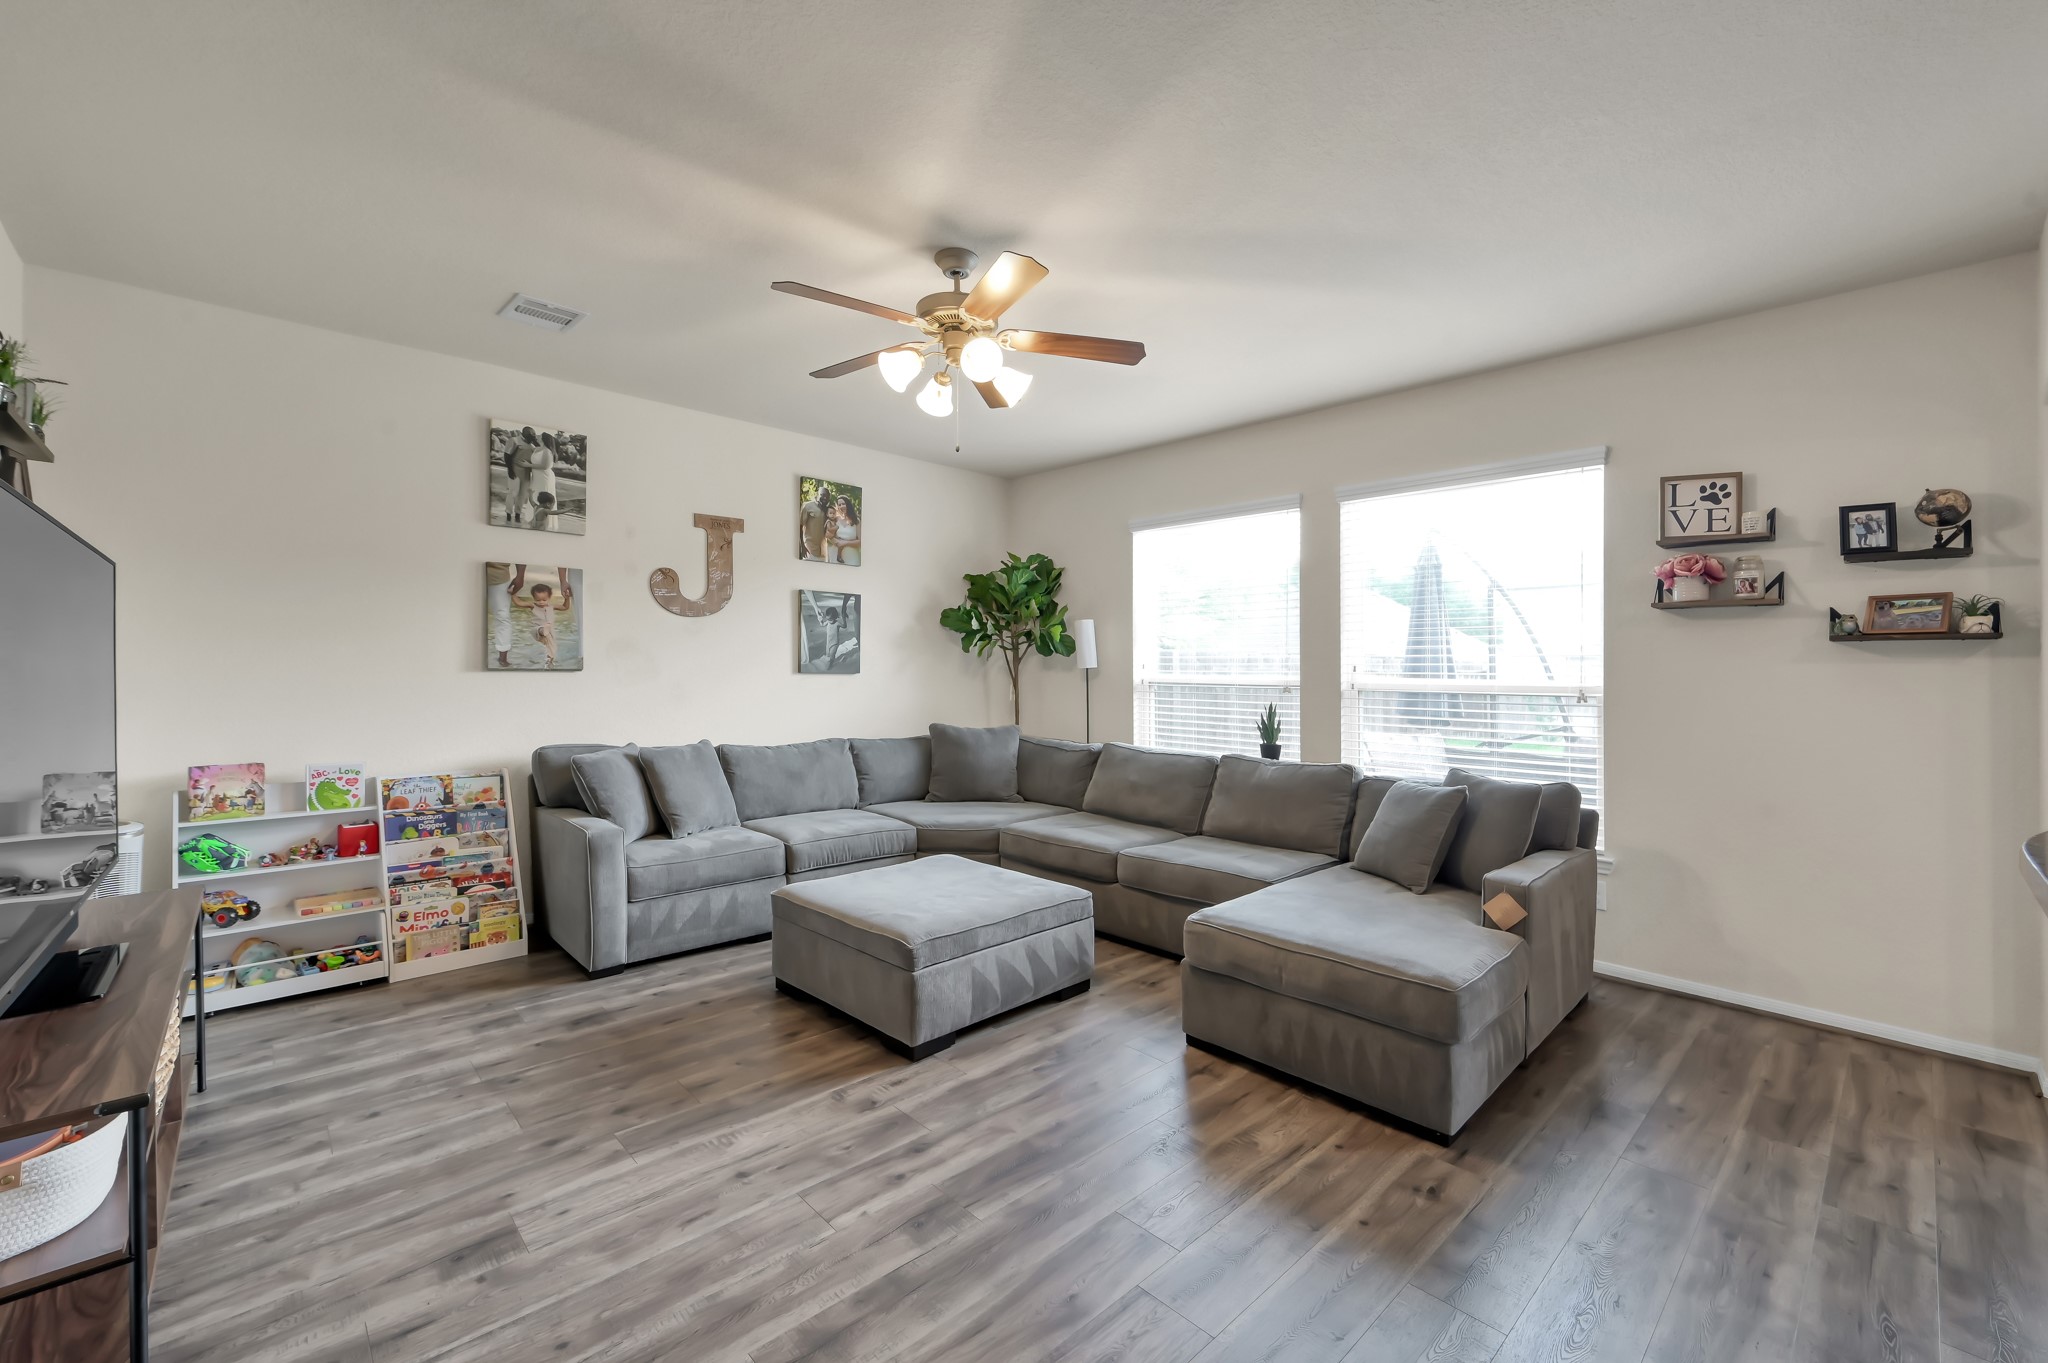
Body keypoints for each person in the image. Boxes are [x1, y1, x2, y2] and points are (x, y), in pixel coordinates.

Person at [529, 571, 572, 669]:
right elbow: (519, 603)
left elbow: (565, 607)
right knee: (542, 629)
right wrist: (512, 594)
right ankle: (543, 630)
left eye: (544, 600)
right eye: (538, 600)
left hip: (549, 633)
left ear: (549, 598)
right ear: (534, 598)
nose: (541, 602)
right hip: (537, 630)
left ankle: (549, 662)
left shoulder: (551, 607)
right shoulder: (533, 606)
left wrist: (567, 598)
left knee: (552, 647)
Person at [487, 563, 526, 667]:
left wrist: (520, 575)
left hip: (499, 574)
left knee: (502, 616)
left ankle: (503, 658)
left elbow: (521, 553)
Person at [800, 484, 831, 560]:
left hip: (824, 552)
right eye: (822, 495)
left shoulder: (829, 511)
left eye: (827, 496)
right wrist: (802, 546)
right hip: (809, 549)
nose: (825, 498)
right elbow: (799, 526)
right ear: (817, 495)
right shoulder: (807, 506)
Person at [832, 494, 861, 566]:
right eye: (839, 505)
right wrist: (836, 541)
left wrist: (845, 543)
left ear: (848, 504)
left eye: (843, 504)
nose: (841, 506)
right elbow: (830, 536)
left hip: (852, 556)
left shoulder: (856, 520)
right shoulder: (836, 520)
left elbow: (860, 542)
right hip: (837, 557)